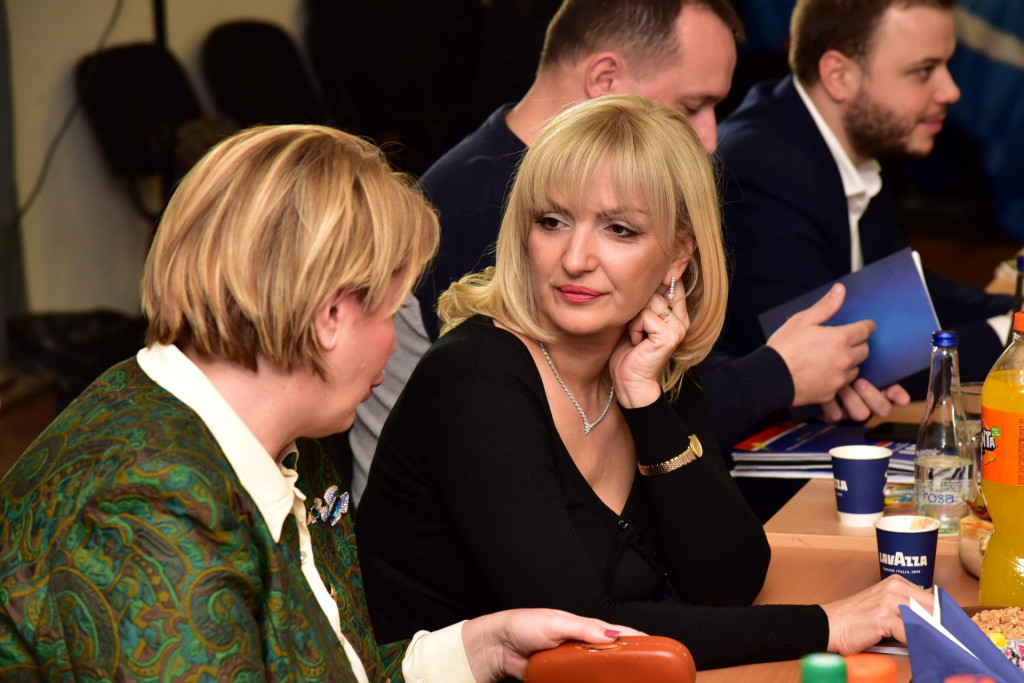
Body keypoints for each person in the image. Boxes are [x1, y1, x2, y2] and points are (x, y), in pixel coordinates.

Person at [0, 125, 639, 682]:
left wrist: (479, 647)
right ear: (332, 316)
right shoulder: (144, 506)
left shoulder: (289, 443)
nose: (394, 341)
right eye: (389, 311)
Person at [356, 95, 932, 671]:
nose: (576, 258)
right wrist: (831, 623)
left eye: (619, 229)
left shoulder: (648, 363)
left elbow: (729, 582)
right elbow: (582, 629)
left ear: (678, 256)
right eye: (552, 221)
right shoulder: (476, 380)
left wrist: (644, 401)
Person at [346, 0, 907, 509]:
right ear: (606, 82)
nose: (711, 137)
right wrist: (776, 376)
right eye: (693, 106)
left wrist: (798, 374)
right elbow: (586, 430)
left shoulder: (520, 185)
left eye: (618, 229)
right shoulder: (479, 212)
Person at [715, 0, 1012, 384]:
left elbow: (906, 295)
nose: (951, 91)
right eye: (924, 71)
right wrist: (1008, 334)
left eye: (946, 66)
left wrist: (1014, 310)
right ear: (839, 75)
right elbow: (835, 363)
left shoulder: (849, 140)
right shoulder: (758, 171)